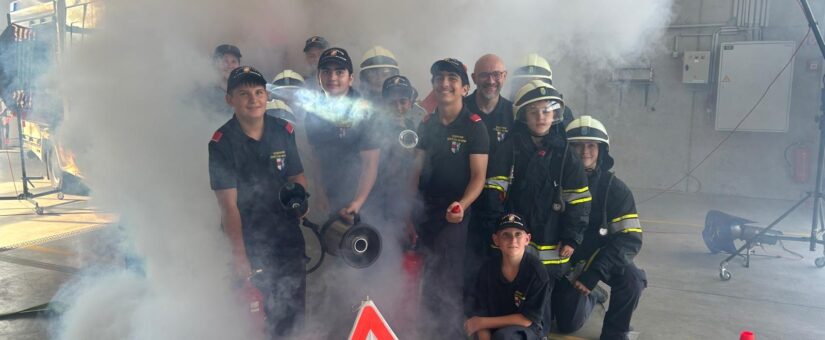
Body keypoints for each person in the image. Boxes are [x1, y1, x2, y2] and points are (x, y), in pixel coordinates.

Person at [208, 66, 308, 338]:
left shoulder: (283, 130)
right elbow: (228, 207)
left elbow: (297, 175)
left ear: (266, 96)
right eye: (244, 94)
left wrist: (300, 199)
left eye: (258, 92)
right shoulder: (221, 143)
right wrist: (240, 256)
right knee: (256, 315)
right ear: (230, 99)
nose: (253, 99)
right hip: (249, 237)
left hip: (286, 235)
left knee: (293, 310)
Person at [501, 80, 591, 337]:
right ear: (523, 116)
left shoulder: (566, 155)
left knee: (543, 298)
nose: (541, 117)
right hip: (515, 236)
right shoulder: (510, 149)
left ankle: (539, 333)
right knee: (513, 290)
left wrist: (572, 237)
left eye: (546, 111)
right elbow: (494, 192)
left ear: (555, 115)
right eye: (534, 111)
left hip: (553, 240)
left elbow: (579, 201)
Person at [411, 58, 489, 339]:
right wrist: (409, 210)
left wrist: (462, 205)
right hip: (425, 211)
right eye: (439, 78)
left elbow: (478, 177)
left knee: (446, 277)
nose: (445, 84)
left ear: (465, 89)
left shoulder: (474, 127)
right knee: (426, 273)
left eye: (452, 79)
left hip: (455, 212)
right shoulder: (426, 125)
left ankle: (450, 333)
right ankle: (428, 331)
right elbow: (415, 171)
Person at [553, 115, 646, 340]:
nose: (584, 151)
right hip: (564, 259)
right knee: (566, 324)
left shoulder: (616, 190)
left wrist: (594, 273)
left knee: (632, 280)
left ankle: (615, 333)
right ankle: (593, 295)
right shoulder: (554, 183)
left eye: (591, 146)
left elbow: (629, 239)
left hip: (601, 258)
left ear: (602, 150)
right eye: (577, 145)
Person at [302, 47, 379, 221]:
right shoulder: (313, 112)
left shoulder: (364, 111)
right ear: (319, 77)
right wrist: (320, 193)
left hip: (365, 195)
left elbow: (370, 164)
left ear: (350, 78)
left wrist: (357, 202)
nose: (332, 77)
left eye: (339, 72)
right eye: (326, 72)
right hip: (331, 193)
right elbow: (316, 156)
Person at [463, 54, 515, 308]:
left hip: (500, 204)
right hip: (465, 201)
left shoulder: (514, 113)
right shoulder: (460, 109)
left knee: (497, 262)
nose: (491, 81)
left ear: (505, 77)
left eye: (497, 75)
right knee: (465, 263)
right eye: (484, 75)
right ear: (474, 78)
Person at [466, 213, 550, 340]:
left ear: (527, 239)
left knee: (504, 337)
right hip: (491, 324)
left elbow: (527, 319)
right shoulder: (487, 269)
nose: (513, 240)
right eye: (506, 234)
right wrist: (483, 335)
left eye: (518, 234)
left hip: (526, 328)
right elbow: (480, 312)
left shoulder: (537, 273)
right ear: (496, 240)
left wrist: (482, 323)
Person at [372, 74, 419, 225]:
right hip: (378, 196)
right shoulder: (373, 127)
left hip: (406, 194)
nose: (398, 107)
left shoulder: (415, 127)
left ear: (410, 102)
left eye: (402, 102)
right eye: (392, 103)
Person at [509, 53, 574, 127]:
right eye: (525, 82)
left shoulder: (563, 113)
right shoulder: (506, 109)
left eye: (538, 81)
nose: (533, 87)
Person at [197, 44, 242, 117]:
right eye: (225, 61)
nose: (229, 65)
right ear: (215, 64)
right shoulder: (204, 94)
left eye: (234, 61)